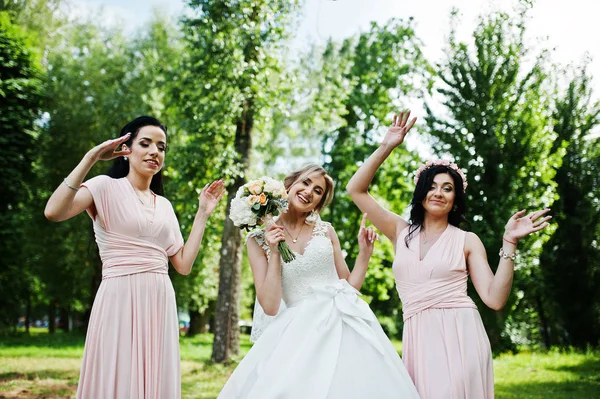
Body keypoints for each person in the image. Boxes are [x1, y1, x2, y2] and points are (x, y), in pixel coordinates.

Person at [346, 111, 551, 398]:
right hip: (418, 340)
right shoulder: (399, 231)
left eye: (447, 188)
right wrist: (387, 146)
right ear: (421, 193)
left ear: (456, 200)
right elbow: (355, 189)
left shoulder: (467, 240)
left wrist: (509, 243)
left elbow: (494, 298)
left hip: (461, 336)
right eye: (431, 186)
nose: (438, 193)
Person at [44, 116, 225, 399]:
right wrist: (92, 157)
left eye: (161, 147)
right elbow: (53, 211)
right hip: (119, 297)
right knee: (119, 375)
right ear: (126, 149)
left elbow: (183, 265)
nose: (155, 151)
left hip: (159, 302)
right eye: (146, 143)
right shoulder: (104, 186)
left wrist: (203, 213)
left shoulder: (164, 206)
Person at [218, 164, 420, 399]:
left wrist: (364, 254)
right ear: (291, 184)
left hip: (343, 322)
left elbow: (349, 287)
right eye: (305, 182)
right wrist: (274, 251)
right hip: (298, 331)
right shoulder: (257, 240)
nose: (309, 191)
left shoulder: (326, 230)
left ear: (319, 203)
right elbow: (270, 306)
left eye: (318, 191)